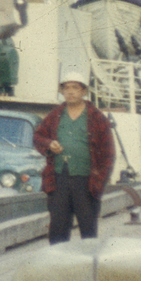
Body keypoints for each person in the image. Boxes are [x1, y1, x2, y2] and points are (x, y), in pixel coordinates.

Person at [34, 72, 115, 244]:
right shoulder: (55, 115)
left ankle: (88, 266)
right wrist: (49, 144)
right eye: (66, 88)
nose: (70, 92)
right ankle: (58, 266)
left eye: (75, 88)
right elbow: (38, 137)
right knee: (58, 229)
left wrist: (99, 182)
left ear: (84, 91)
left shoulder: (97, 117)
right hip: (59, 179)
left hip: (86, 181)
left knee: (88, 229)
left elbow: (109, 154)